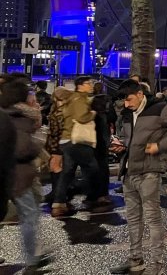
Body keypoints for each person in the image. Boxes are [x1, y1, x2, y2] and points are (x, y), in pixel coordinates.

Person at [110, 80, 167, 275]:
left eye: (129, 99)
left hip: (150, 172)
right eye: (124, 101)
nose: (127, 105)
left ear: (139, 94)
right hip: (130, 171)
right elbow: (130, 139)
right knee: (133, 219)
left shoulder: (160, 108)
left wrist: (160, 146)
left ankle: (156, 265)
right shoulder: (128, 113)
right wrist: (122, 146)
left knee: (153, 219)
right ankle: (135, 259)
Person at [2, 79, 50, 273]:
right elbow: (21, 148)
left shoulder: (9, 113)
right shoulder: (18, 117)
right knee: (29, 215)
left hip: (12, 174)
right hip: (18, 175)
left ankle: (34, 255)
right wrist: (35, 149)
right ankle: (32, 259)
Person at [51, 76, 101, 217]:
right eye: (88, 83)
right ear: (80, 86)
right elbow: (82, 117)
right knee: (93, 169)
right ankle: (92, 197)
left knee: (67, 172)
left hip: (67, 140)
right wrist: (93, 113)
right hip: (76, 140)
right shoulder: (79, 99)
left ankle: (59, 203)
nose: (91, 85)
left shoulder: (72, 98)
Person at [91, 81, 115, 211]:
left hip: (91, 134)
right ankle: (103, 193)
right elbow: (113, 117)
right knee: (103, 164)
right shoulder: (107, 101)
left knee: (92, 164)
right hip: (103, 134)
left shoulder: (90, 101)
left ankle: (93, 192)